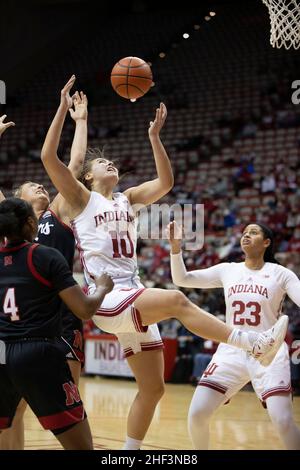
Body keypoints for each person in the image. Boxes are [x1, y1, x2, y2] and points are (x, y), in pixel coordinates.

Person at [40, 97, 287, 450]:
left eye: (111, 160)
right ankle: (253, 344)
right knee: (175, 298)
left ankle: (128, 454)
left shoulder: (127, 198)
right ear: (88, 176)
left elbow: (166, 182)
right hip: (109, 298)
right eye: (100, 163)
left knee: (153, 389)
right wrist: (65, 110)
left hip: (133, 294)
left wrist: (155, 136)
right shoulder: (79, 198)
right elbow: (50, 159)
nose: (110, 162)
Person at [0, 76, 88, 450]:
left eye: (42, 185)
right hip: (19, 330)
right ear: (16, 203)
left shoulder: (59, 212)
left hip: (63, 321)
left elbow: (76, 163)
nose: (40, 186)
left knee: (69, 409)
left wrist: (80, 121)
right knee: (14, 413)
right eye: (30, 187)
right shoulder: (9, 227)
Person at [168, 221, 300, 450]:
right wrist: (175, 247)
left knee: (283, 421)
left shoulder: (281, 274)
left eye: (254, 232)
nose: (246, 235)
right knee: (197, 413)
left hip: (268, 353)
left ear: (266, 243)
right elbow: (182, 279)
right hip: (232, 349)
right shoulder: (228, 269)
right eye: (245, 232)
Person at [0, 197, 113, 450]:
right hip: (37, 351)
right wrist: (102, 289)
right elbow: (84, 309)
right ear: (31, 223)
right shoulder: (44, 256)